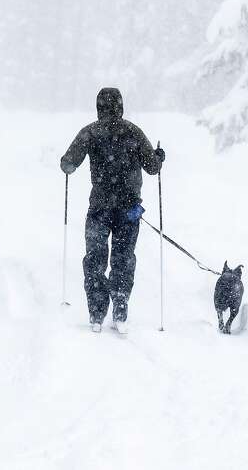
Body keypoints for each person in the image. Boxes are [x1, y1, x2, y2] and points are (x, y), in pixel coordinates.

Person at [60, 87, 165, 334]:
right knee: (123, 258)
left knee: (95, 259)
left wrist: (66, 164)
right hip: (128, 210)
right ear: (120, 106)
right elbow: (152, 167)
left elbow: (69, 163)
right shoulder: (133, 132)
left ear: (98, 107)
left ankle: (96, 313)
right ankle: (120, 308)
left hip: (99, 208)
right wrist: (159, 157)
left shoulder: (90, 132)